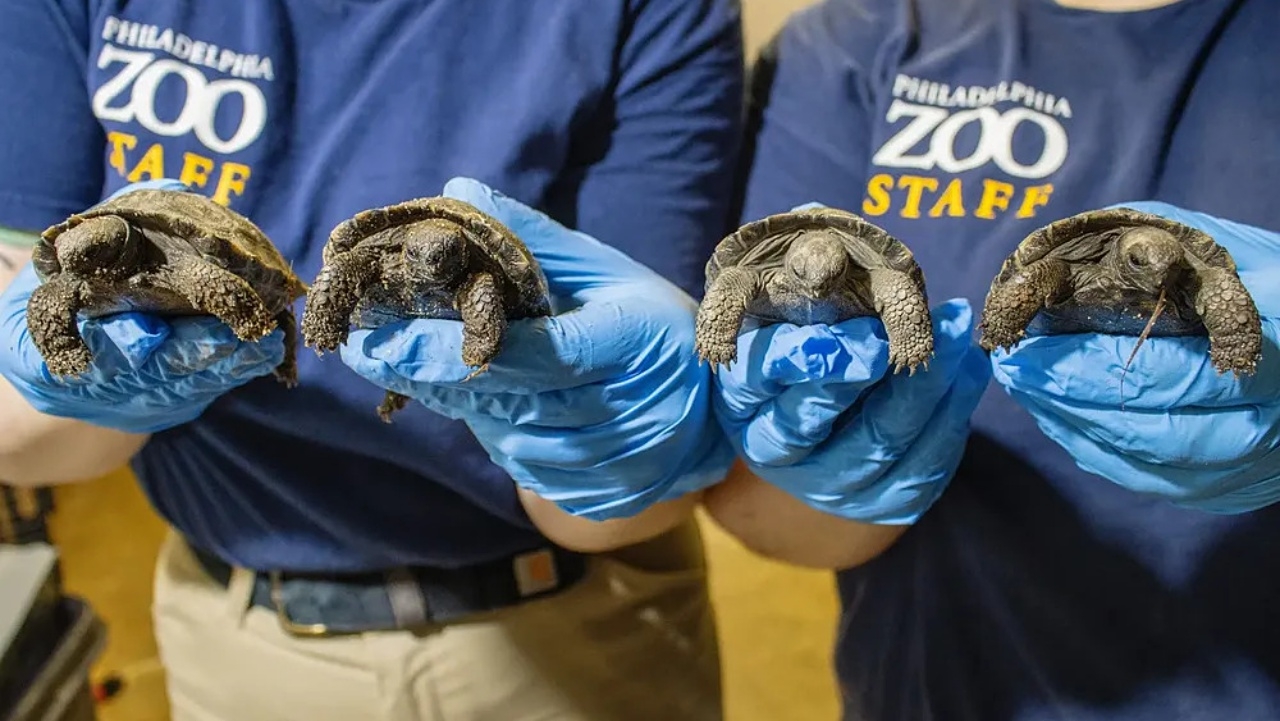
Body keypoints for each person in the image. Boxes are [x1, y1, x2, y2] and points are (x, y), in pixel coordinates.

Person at [0, 2, 744, 719]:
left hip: (571, 619)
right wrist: (72, 377)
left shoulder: (643, 12)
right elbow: (19, 426)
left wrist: (612, 441)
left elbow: (643, 490)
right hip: (238, 624)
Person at [699, 0, 1280, 719]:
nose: (1154, 268)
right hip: (941, 683)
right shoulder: (865, 36)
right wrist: (828, 472)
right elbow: (750, 501)